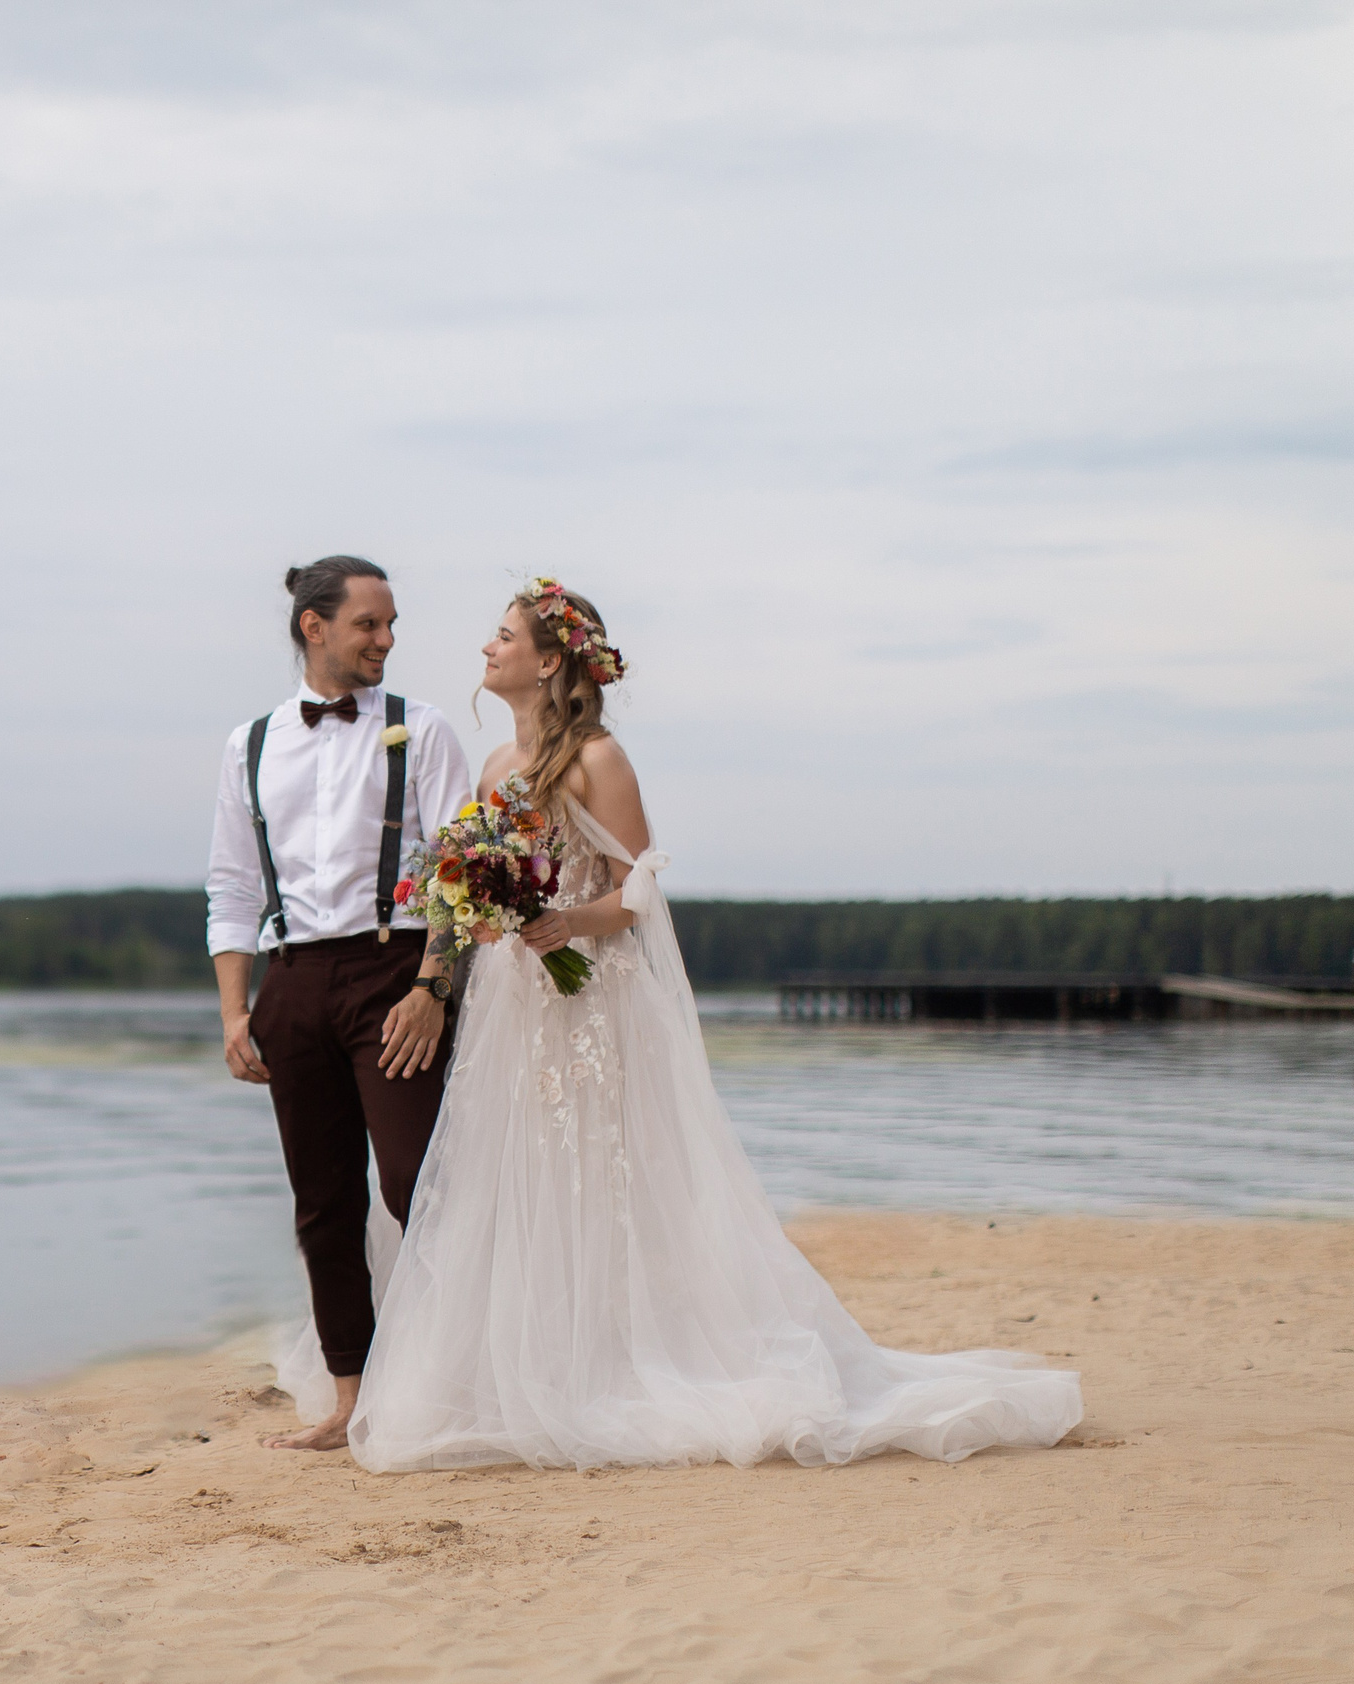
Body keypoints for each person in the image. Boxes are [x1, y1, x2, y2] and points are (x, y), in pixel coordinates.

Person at [280, 577, 1084, 1471]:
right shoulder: (497, 769)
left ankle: (616, 1367)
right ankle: (528, 1364)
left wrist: (569, 923)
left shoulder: (598, 759)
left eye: (503, 635)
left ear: (548, 662)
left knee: (602, 1174)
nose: (486, 648)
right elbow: (465, 889)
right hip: (513, 1007)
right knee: (518, 1182)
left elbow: (639, 887)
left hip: (588, 1001)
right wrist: (477, 919)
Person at [207, 556, 475, 1451]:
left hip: (393, 976)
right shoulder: (249, 745)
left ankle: (457, 1379)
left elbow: (459, 874)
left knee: (416, 1185)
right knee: (322, 1202)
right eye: (369, 624)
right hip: (292, 984)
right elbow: (231, 887)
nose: (386, 641)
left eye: (391, 624)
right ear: (312, 627)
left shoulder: (424, 731)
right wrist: (236, 1012)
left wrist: (435, 989)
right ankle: (351, 1398)